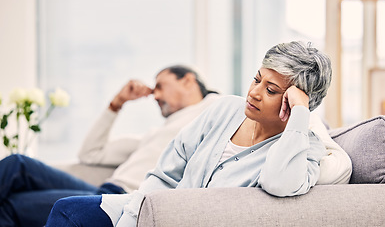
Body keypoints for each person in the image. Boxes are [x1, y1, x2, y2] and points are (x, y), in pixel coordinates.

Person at [46, 41, 350, 227]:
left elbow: (279, 183)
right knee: (69, 211)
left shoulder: (304, 148)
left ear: (297, 101)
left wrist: (299, 116)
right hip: (152, 210)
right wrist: (135, 218)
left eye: (271, 90)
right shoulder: (225, 109)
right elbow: (165, 173)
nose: (254, 93)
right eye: (257, 80)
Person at [0, 65, 221, 227]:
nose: (156, 96)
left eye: (161, 87)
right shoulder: (154, 135)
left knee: (11, 206)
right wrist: (117, 103)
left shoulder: (212, 111)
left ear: (188, 81)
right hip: (102, 190)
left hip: (123, 199)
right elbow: (90, 154)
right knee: (18, 163)